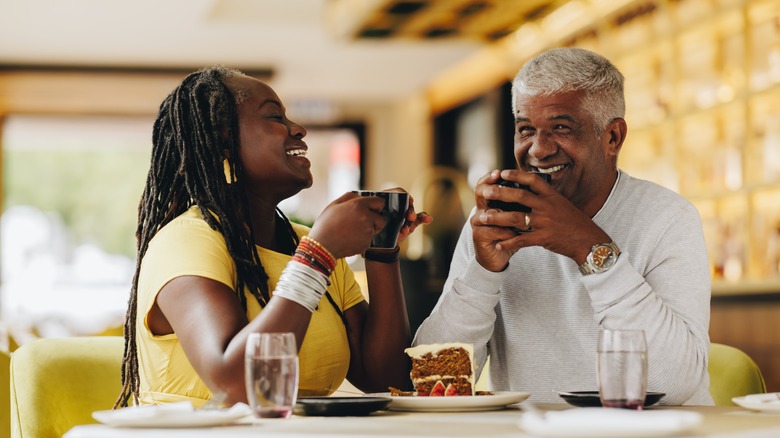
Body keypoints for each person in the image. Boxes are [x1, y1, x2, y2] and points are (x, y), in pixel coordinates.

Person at [115, 66, 431, 407]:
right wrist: (317, 255)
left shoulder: (307, 244)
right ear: (223, 142)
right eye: (275, 117)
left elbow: (386, 379)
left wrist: (382, 250)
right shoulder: (188, 240)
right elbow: (237, 387)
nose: (298, 129)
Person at [413, 47, 712, 405]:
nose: (538, 150)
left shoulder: (669, 218)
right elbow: (432, 381)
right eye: (526, 130)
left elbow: (673, 384)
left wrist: (588, 247)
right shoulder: (496, 224)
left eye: (560, 128)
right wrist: (483, 273)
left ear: (613, 137)